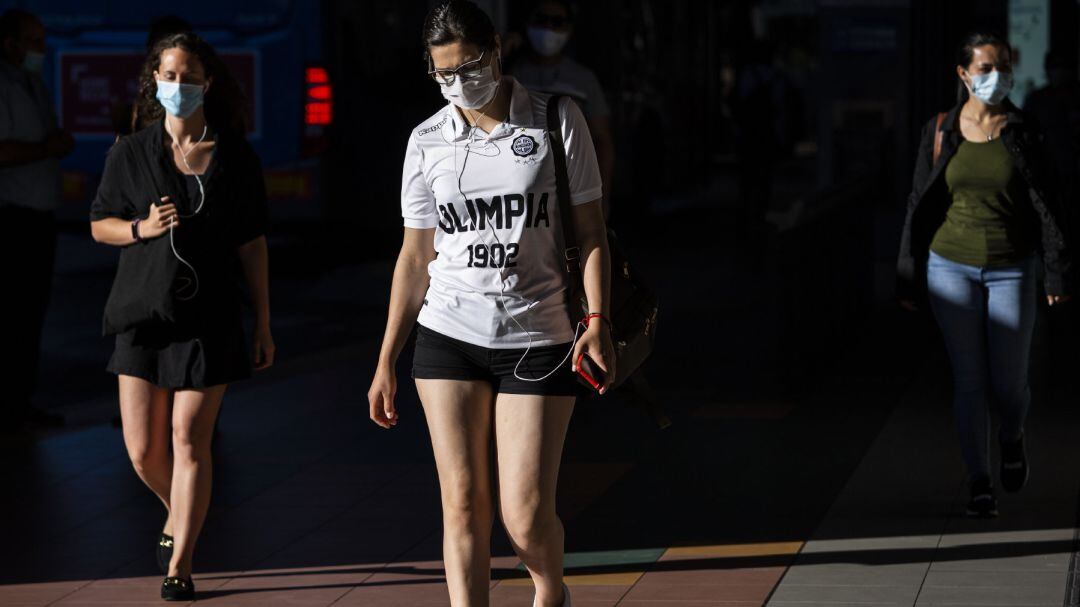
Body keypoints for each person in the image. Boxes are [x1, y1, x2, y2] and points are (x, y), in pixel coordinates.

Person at [367, 2, 613, 605]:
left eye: (469, 66)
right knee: (462, 502)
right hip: (447, 334)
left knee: (525, 515)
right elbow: (414, 258)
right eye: (443, 73)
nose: (458, 83)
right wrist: (385, 359)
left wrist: (600, 321)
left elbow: (591, 233)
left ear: (497, 51)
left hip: (540, 334)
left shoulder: (556, 118)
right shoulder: (425, 140)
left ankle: (549, 590)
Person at [89, 31, 273, 601]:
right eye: (168, 76)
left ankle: (182, 564)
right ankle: (180, 509)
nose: (178, 85)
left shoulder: (235, 156)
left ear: (207, 83)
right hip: (142, 315)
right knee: (144, 451)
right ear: (154, 81)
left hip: (210, 318)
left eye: (188, 76)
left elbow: (252, 244)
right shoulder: (130, 151)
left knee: (189, 439)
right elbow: (100, 224)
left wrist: (263, 321)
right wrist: (142, 228)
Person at [897, 32, 1073, 518]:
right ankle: (979, 481)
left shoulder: (1025, 130)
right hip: (949, 266)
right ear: (963, 74)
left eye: (1003, 66)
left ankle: (1012, 435)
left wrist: (1056, 274)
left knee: (1010, 384)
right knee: (969, 380)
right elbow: (919, 203)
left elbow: (1049, 205)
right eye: (985, 68)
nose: (996, 76)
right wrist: (907, 274)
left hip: (1012, 268)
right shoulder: (940, 130)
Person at [0, 9, 74, 433]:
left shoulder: (32, 84)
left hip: (38, 219)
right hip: (13, 221)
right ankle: (9, 406)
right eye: (34, 41)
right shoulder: (4, 87)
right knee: (14, 315)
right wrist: (46, 148)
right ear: (10, 44)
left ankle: (20, 402)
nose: (41, 50)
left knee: (31, 314)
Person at [507, 0, 615, 220]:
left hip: (570, 189)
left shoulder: (584, 80)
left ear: (569, 28)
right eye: (541, 20)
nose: (548, 28)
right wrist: (499, 52)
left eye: (557, 22)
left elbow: (602, 140)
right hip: (519, 189)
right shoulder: (508, 74)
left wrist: (602, 199)